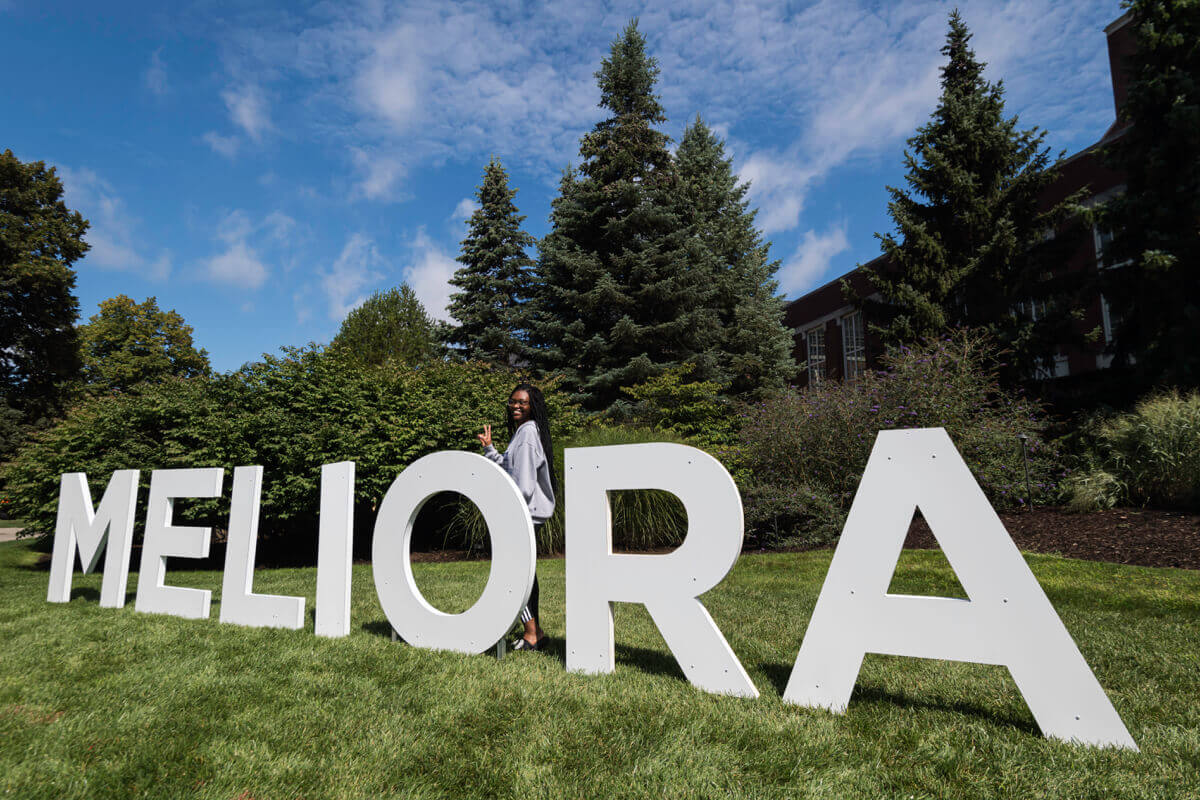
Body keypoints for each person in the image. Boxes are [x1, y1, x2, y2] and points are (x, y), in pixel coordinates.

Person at [478, 383, 556, 651]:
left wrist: (509, 511)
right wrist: (490, 448)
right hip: (529, 514)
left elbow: (522, 486)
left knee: (518, 574)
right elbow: (510, 469)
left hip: (524, 514)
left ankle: (532, 634)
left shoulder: (526, 435)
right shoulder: (526, 433)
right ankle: (535, 632)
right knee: (526, 574)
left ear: (533, 405)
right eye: (512, 401)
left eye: (522, 402)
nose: (516, 406)